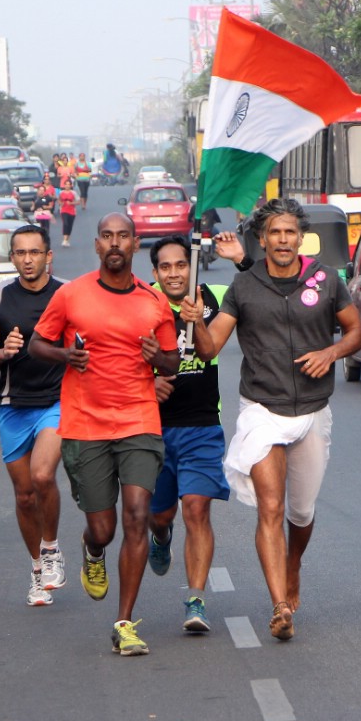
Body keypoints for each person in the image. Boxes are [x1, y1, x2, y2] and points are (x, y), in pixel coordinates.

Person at [182, 198, 361, 641]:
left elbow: (357, 331)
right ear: (261, 240)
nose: (283, 240)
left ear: (300, 237)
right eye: (274, 233)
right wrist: (196, 323)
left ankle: (293, 563)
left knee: (300, 513)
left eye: (290, 232)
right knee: (271, 507)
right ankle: (280, 605)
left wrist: (331, 352)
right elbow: (208, 350)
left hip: (314, 411)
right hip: (262, 408)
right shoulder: (243, 288)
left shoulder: (324, 279)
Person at [28, 212, 180, 656]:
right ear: (97, 245)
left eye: (124, 237)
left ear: (135, 245)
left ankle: (124, 623)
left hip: (139, 420)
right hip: (85, 424)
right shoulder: (71, 295)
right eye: (108, 236)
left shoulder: (154, 302)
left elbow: (173, 363)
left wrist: (158, 357)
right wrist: (64, 356)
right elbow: (38, 343)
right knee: (104, 528)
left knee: (136, 516)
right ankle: (91, 550)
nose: (116, 243)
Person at [0, 224, 67, 606]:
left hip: (58, 400)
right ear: (12, 257)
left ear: (49, 256)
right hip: (14, 405)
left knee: (43, 475)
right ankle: (35, 569)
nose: (27, 259)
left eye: (34, 252)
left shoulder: (66, 294)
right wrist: (4, 352)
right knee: (25, 494)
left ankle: (52, 548)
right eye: (20, 253)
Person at [147, 235, 231, 634]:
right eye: (166, 267)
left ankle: (195, 601)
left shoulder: (212, 295)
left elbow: (256, 286)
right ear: (155, 273)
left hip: (201, 426)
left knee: (196, 508)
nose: (175, 273)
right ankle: (160, 536)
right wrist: (149, 387)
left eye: (181, 265)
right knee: (160, 515)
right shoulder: (142, 303)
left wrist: (196, 317)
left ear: (190, 266)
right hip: (151, 428)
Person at [58, 181, 77, 247]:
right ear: (64, 185)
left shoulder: (73, 193)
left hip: (72, 211)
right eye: (66, 184)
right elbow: (59, 200)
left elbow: (78, 201)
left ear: (71, 185)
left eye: (69, 184)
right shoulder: (61, 193)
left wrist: (71, 203)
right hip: (63, 210)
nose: (67, 186)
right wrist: (61, 203)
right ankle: (64, 239)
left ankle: (67, 239)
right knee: (65, 223)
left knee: (69, 225)